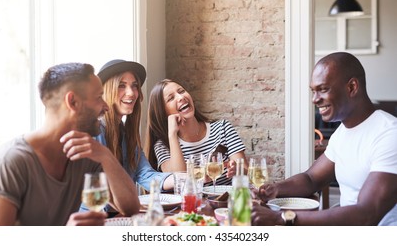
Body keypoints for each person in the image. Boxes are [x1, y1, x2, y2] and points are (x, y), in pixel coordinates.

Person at [252, 52, 397, 226]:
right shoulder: (342, 133)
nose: (314, 99)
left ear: (352, 87)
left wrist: (282, 218)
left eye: (323, 89)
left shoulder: (389, 134)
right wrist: (275, 189)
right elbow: (311, 179)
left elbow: (367, 214)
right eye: (313, 91)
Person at [0, 63, 140, 226]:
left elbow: (130, 208)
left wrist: (106, 156)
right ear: (73, 102)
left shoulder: (86, 154)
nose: (106, 106)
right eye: (99, 97)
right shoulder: (11, 162)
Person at [144, 78, 247, 186]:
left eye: (181, 91)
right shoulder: (163, 145)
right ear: (163, 113)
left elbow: (247, 173)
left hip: (227, 201)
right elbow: (179, 180)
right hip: (192, 202)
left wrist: (238, 170)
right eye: (171, 98)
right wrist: (172, 135)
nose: (181, 97)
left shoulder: (223, 128)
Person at [95, 59, 173, 193]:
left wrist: (187, 178)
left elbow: (146, 175)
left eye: (134, 85)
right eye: (121, 85)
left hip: (120, 213)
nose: (131, 93)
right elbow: (93, 188)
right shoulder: (95, 131)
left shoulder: (126, 133)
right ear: (106, 90)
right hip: (96, 212)